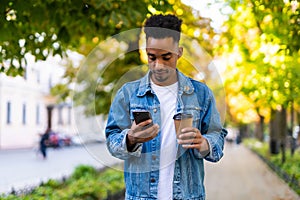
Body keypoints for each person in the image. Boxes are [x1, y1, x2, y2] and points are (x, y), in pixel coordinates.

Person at [105, 14, 227, 200]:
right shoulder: (127, 94)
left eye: (166, 57)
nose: (158, 65)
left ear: (179, 52)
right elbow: (112, 141)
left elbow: (217, 138)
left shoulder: (201, 94)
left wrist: (204, 144)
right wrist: (130, 139)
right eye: (152, 57)